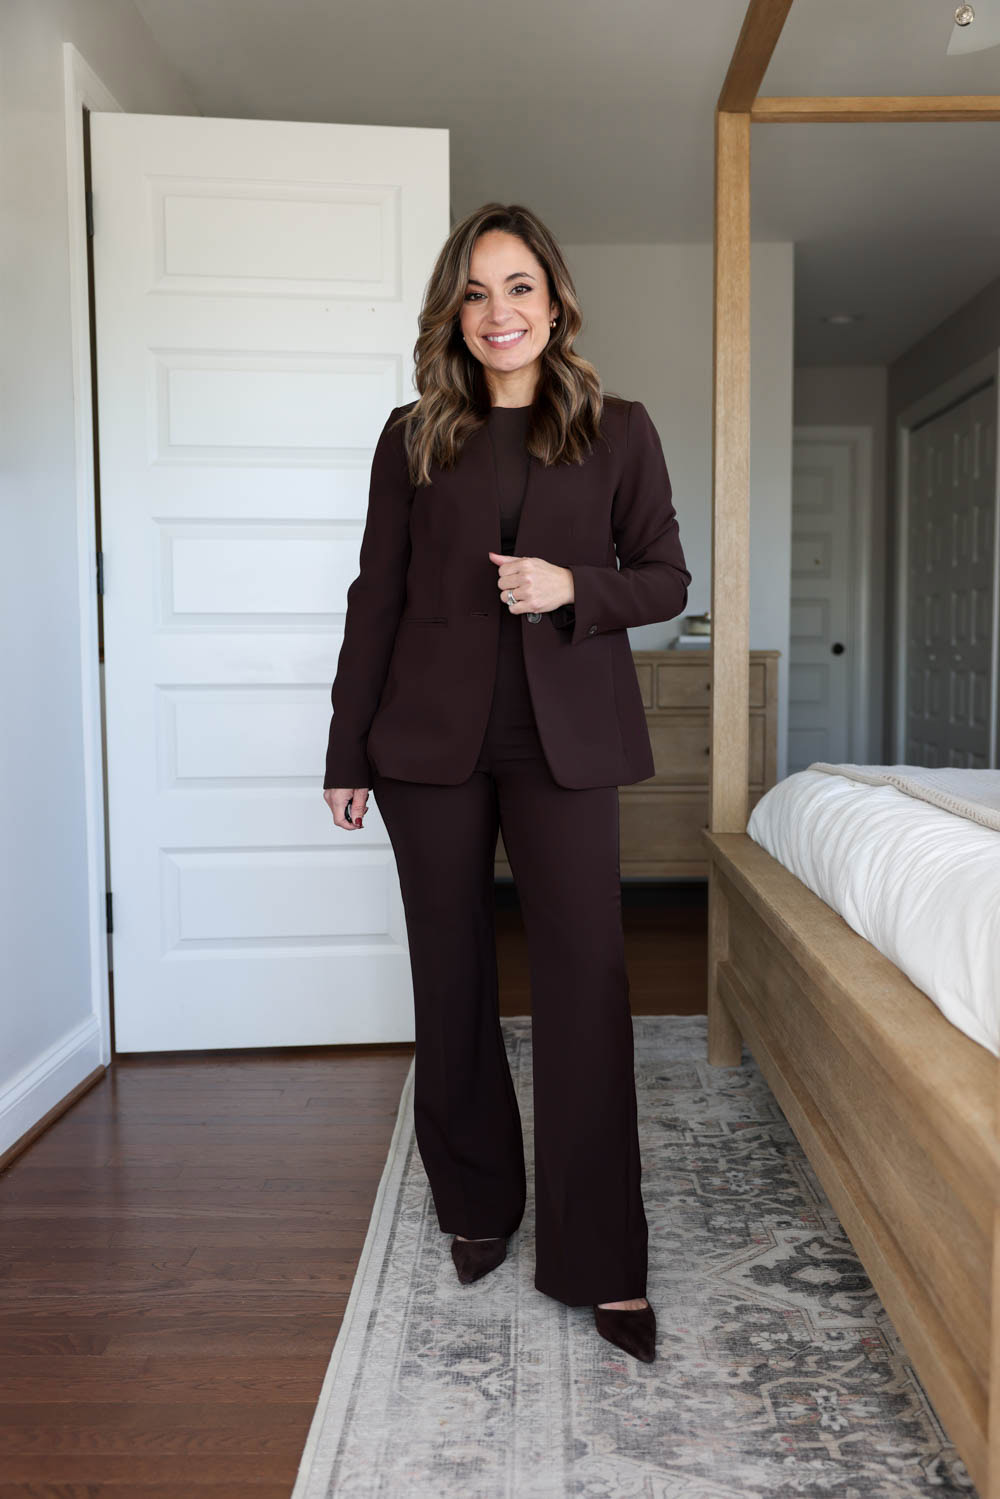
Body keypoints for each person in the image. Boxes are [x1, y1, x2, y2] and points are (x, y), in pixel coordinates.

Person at [322, 202, 691, 1364]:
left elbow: (666, 576)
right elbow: (373, 592)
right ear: (454, 311)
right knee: (452, 972)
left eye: (518, 287)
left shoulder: (618, 428)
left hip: (565, 738)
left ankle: (601, 1255)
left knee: (585, 979)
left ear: (554, 299)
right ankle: (478, 1198)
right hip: (424, 743)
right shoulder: (412, 435)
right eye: (476, 292)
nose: (499, 312)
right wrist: (345, 749)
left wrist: (572, 583)